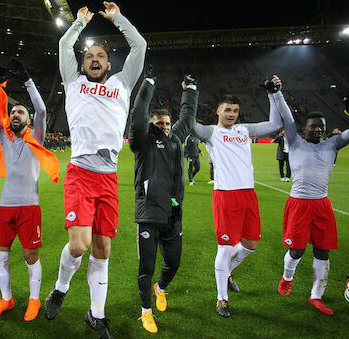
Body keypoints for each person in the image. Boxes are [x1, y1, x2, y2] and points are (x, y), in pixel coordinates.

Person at [44, 3, 146, 337]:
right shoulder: (73, 81)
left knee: (102, 250)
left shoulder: (122, 84)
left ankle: (96, 314)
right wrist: (79, 24)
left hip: (109, 177)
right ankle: (60, 287)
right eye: (89, 55)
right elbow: (63, 47)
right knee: (79, 246)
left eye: (100, 55)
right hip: (81, 173)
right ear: (82, 64)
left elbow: (140, 46)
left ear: (109, 63)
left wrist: (116, 19)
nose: (94, 58)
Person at [192, 77, 283, 317]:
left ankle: (227, 271)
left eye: (235, 110)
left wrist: (273, 94)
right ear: (218, 111)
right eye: (227, 110)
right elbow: (188, 123)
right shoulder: (211, 132)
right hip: (225, 195)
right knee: (224, 247)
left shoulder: (245, 130)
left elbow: (275, 123)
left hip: (248, 194)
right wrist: (190, 92)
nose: (231, 114)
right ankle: (222, 297)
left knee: (250, 245)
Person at [0, 60, 59, 321]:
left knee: (30, 255)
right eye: (13, 112)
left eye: (20, 113)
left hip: (29, 206)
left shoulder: (35, 136)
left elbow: (41, 109)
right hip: (5, 206)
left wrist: (27, 80)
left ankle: (35, 300)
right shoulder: (3, 137)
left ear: (27, 120)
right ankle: (7, 299)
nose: (15, 114)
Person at [270, 77, 348, 315]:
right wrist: (278, 93)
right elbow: (286, 117)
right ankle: (287, 278)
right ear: (304, 129)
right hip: (299, 204)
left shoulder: (332, 145)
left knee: (323, 251)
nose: (318, 129)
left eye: (322, 126)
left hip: (322, 204)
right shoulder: (294, 142)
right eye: (314, 125)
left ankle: (316, 296)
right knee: (297, 250)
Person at [129, 70, 199, 333]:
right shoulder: (142, 142)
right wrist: (148, 84)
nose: (166, 128)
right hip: (149, 213)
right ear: (151, 124)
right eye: (160, 124)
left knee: (174, 263)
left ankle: (161, 288)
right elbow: (138, 114)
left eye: (168, 124)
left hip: (173, 213)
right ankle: (146, 312)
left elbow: (188, 117)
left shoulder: (175, 141)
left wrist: (190, 90)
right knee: (146, 267)